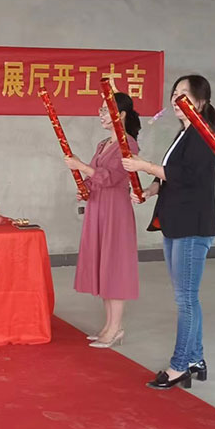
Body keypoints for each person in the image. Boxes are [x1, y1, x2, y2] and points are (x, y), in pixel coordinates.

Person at [122, 74, 215, 390]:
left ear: (201, 102)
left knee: (185, 299)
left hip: (192, 226)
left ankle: (180, 366)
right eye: (175, 93)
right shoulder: (185, 133)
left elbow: (187, 176)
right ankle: (195, 358)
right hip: (176, 222)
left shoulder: (204, 134)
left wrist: (143, 165)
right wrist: (149, 190)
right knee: (187, 297)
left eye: (185, 95)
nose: (177, 100)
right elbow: (169, 176)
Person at [64, 92, 141, 348]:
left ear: (121, 115)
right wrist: (84, 188)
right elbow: (96, 177)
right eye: (100, 110)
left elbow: (112, 177)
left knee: (114, 267)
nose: (101, 115)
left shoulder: (128, 144)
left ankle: (116, 327)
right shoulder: (103, 144)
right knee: (103, 266)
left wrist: (81, 166)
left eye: (106, 110)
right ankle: (109, 326)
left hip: (115, 211)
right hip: (98, 207)